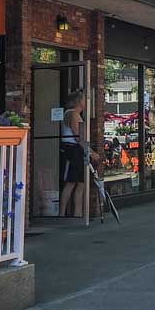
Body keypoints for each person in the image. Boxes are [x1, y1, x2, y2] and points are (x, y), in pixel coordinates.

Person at [59, 90, 96, 218]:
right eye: (84, 99)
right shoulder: (72, 114)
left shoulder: (76, 114)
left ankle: (78, 212)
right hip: (72, 150)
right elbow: (78, 136)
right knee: (71, 182)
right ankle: (61, 213)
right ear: (79, 101)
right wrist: (91, 152)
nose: (86, 102)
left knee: (80, 182)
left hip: (77, 150)